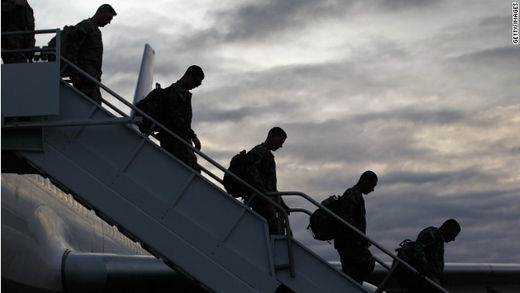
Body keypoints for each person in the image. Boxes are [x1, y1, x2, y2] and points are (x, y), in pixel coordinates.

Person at [60, 4, 117, 104]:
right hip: (83, 78)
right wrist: (74, 75)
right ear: (100, 13)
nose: (109, 22)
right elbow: (72, 50)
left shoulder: (96, 31)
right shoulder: (85, 27)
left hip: (91, 79)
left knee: (96, 106)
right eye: (108, 18)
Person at [156, 65, 204, 172]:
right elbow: (176, 119)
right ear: (188, 76)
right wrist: (193, 137)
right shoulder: (175, 92)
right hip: (174, 141)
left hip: (180, 141)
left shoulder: (182, 93)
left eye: (199, 84)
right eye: (196, 82)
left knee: (193, 169)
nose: (196, 86)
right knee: (188, 170)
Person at [244, 127, 290, 235]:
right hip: (261, 201)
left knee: (277, 228)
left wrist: (281, 204)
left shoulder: (266, 154)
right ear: (273, 136)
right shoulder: (260, 152)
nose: (281, 145)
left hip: (266, 199)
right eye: (280, 141)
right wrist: (263, 194)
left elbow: (271, 184)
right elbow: (251, 173)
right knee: (273, 229)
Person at [334, 171, 378, 284]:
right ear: (365, 181)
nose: (372, 190)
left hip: (351, 242)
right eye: (372, 185)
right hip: (349, 243)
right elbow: (346, 219)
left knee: (356, 274)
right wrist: (359, 237)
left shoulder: (356, 195)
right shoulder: (352, 194)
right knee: (366, 263)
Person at [397, 219, 461, 293]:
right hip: (420, 277)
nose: (453, 239)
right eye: (453, 235)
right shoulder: (431, 233)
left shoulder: (439, 240)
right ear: (447, 230)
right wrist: (424, 267)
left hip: (426, 278)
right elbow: (419, 249)